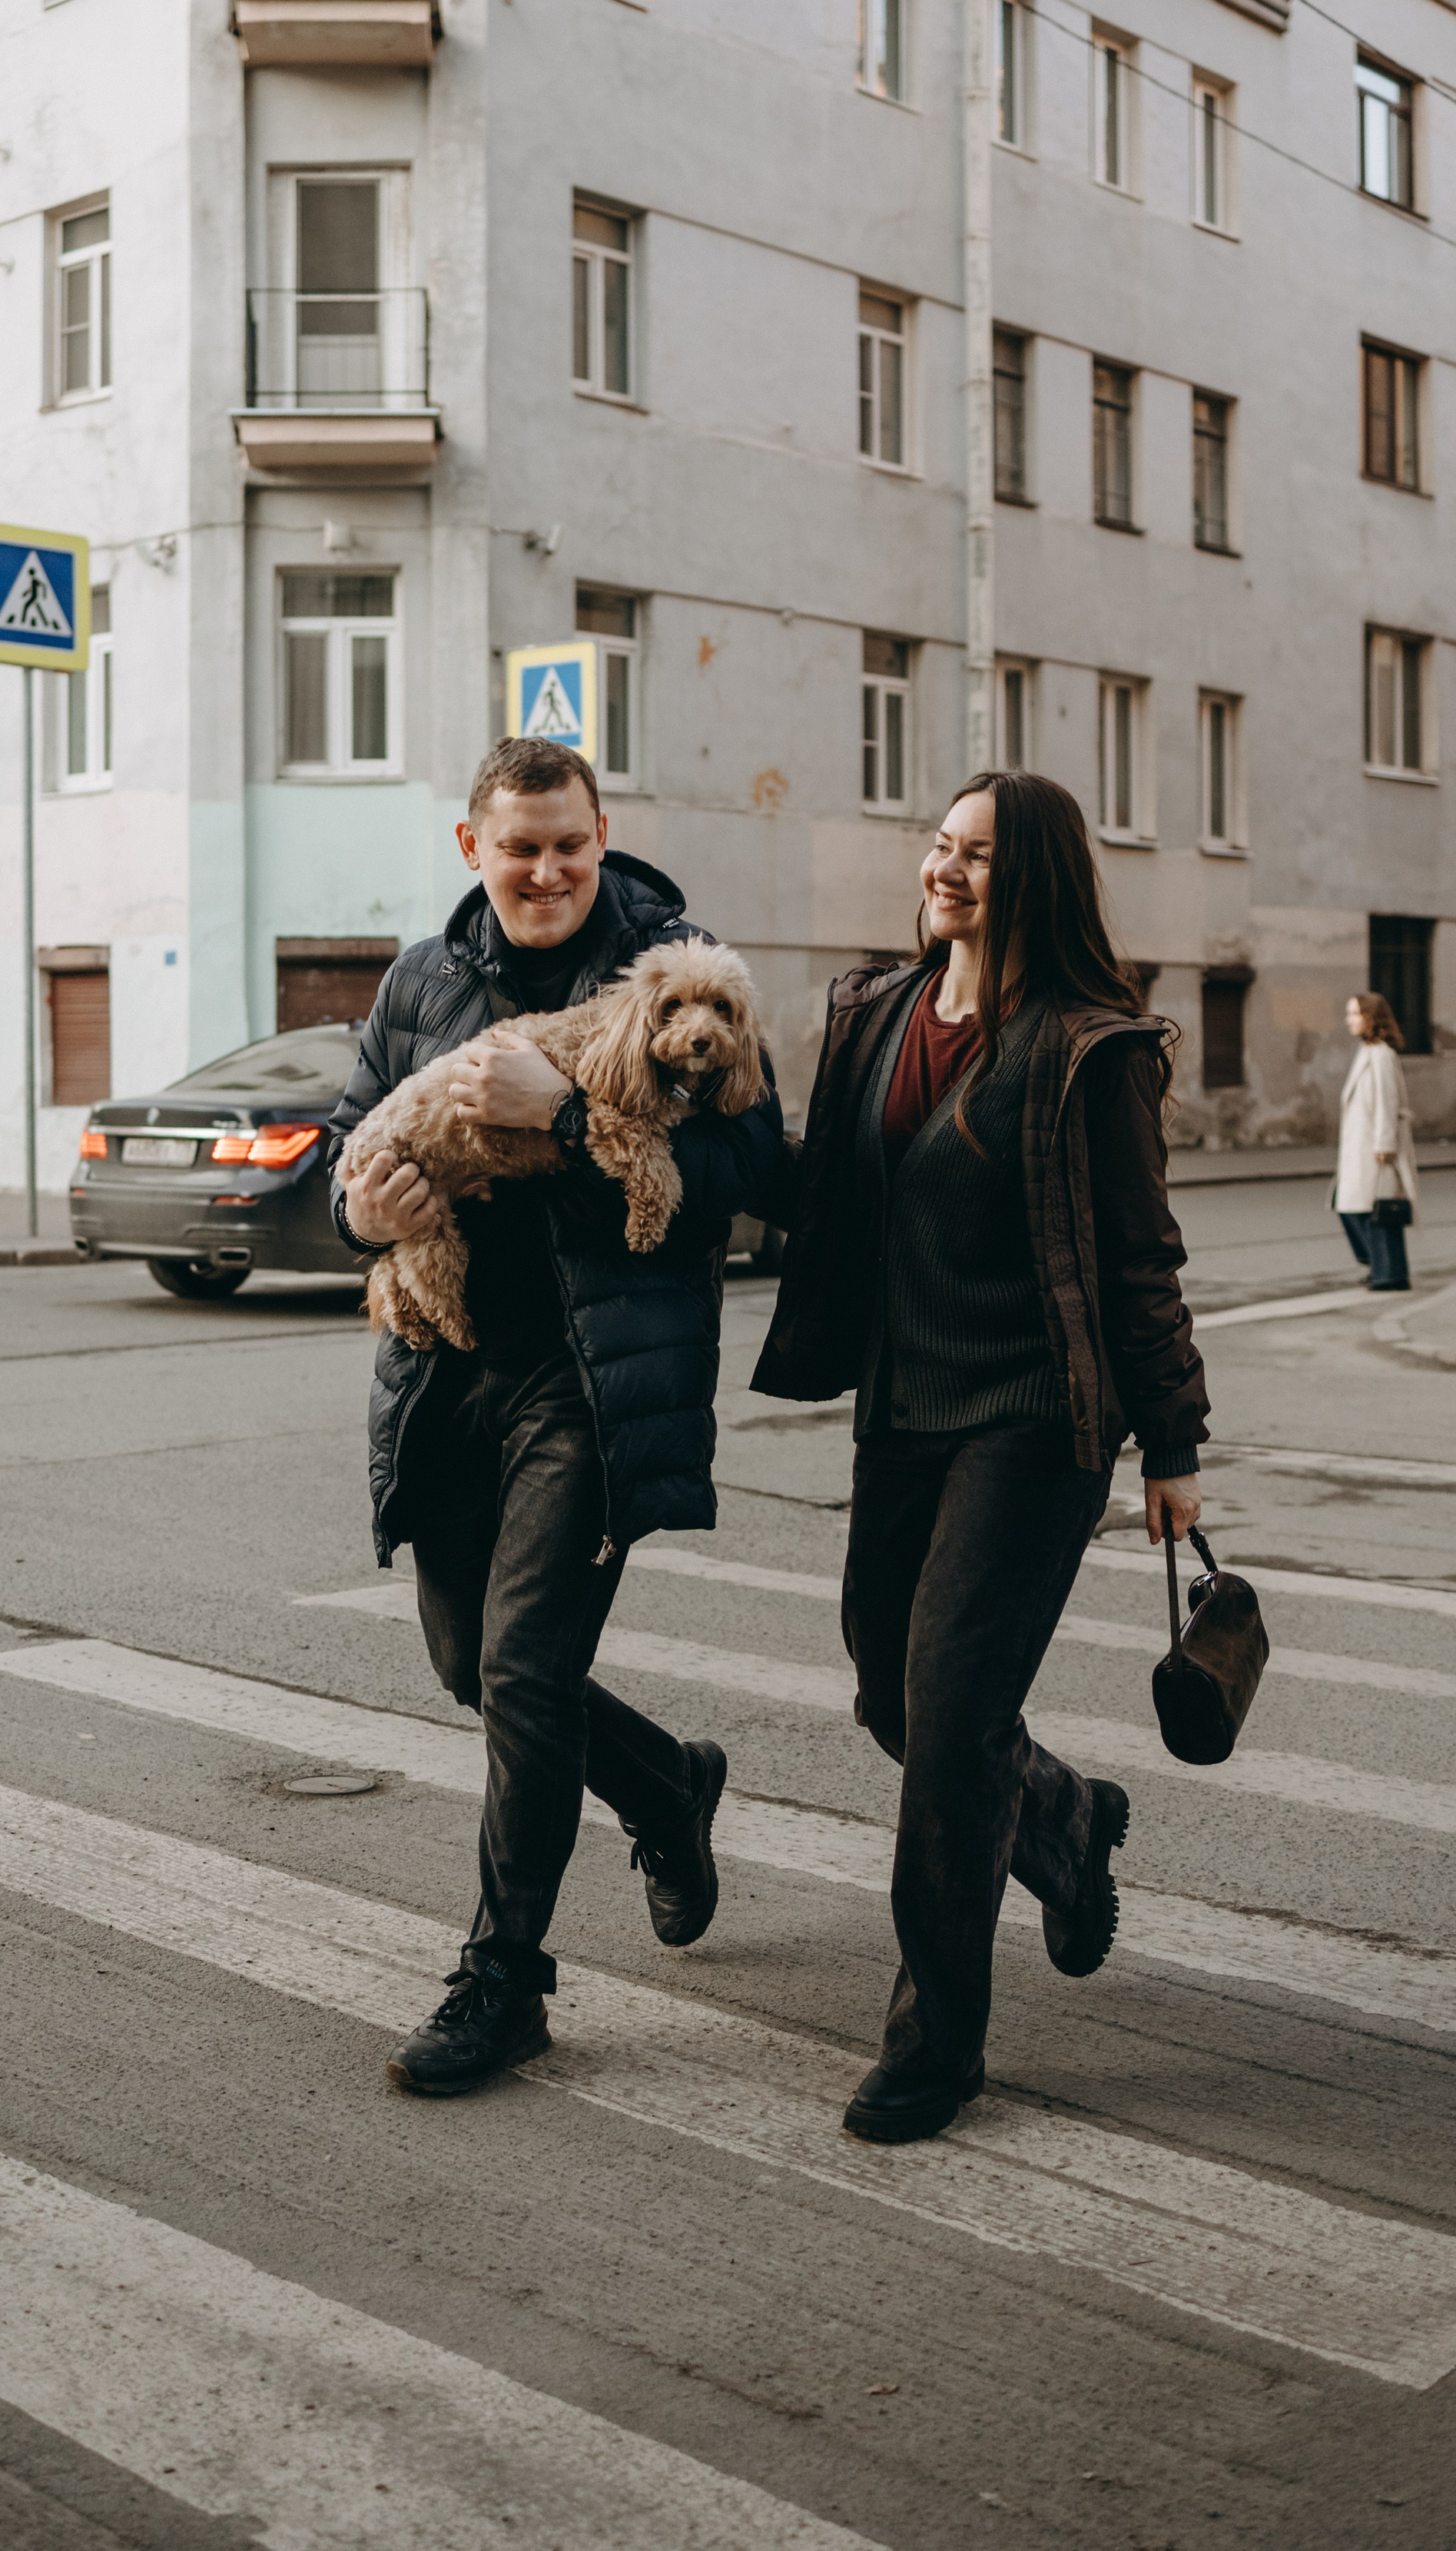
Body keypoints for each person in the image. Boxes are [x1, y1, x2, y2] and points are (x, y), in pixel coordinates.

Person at [751, 771, 1209, 2146]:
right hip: (902, 1405)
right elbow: (819, 1186)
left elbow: (1139, 1262)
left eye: (982, 856)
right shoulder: (874, 1012)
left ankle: (935, 2045)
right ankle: (1065, 1823)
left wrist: (1174, 1444)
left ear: (1042, 881)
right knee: (893, 1698)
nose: (946, 869)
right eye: (941, 845)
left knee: (950, 1727)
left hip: (1033, 1421)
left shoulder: (1090, 1048)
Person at [331, 734, 784, 2098]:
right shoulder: (424, 975)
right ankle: (664, 1785)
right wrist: (357, 1214)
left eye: (568, 845)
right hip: (448, 1369)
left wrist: (576, 1110)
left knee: (526, 1673)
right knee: (471, 1666)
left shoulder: (676, 963)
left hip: (593, 1382)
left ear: (603, 837)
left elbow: (765, 1168)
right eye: (517, 846)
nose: (544, 870)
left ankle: (504, 1981)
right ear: (474, 848)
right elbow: (345, 1148)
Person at [1334, 992, 1417, 1292]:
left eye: (1355, 1014)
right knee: (1355, 1208)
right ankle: (1381, 1266)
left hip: (1373, 1147)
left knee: (1378, 1210)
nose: (1349, 1020)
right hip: (1359, 1145)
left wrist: (1385, 1144)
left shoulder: (1381, 1054)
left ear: (1371, 1017)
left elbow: (1388, 1102)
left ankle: (1390, 1274)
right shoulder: (1368, 1051)